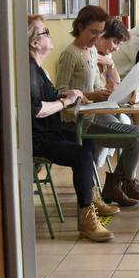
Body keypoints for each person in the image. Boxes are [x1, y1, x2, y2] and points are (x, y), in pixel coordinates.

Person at [56, 5, 139, 207]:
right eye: (93, 32)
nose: (96, 37)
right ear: (79, 27)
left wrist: (110, 92)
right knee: (138, 135)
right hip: (79, 118)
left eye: (100, 33)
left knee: (138, 133)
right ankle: (123, 183)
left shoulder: (91, 52)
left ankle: (116, 184)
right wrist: (93, 94)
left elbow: (97, 85)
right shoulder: (70, 54)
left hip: (96, 111)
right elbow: (60, 93)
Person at [27, 15, 114, 242]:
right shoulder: (29, 71)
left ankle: (92, 195)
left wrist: (69, 96)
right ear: (34, 43)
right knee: (82, 154)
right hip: (39, 138)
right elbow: (37, 110)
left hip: (50, 130)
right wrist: (65, 102)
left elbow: (49, 98)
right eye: (45, 32)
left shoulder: (39, 69)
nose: (50, 34)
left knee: (86, 137)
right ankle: (86, 218)